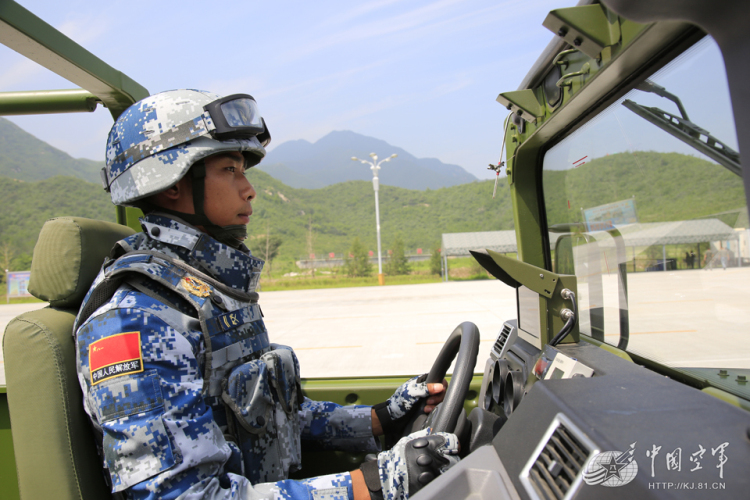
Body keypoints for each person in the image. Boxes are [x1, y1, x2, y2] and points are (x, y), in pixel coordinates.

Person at [74, 90, 459, 500]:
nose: (249, 189)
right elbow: (186, 496)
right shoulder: (138, 319)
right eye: (230, 170)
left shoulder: (206, 291)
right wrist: (369, 486)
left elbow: (270, 420)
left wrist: (379, 418)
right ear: (173, 182)